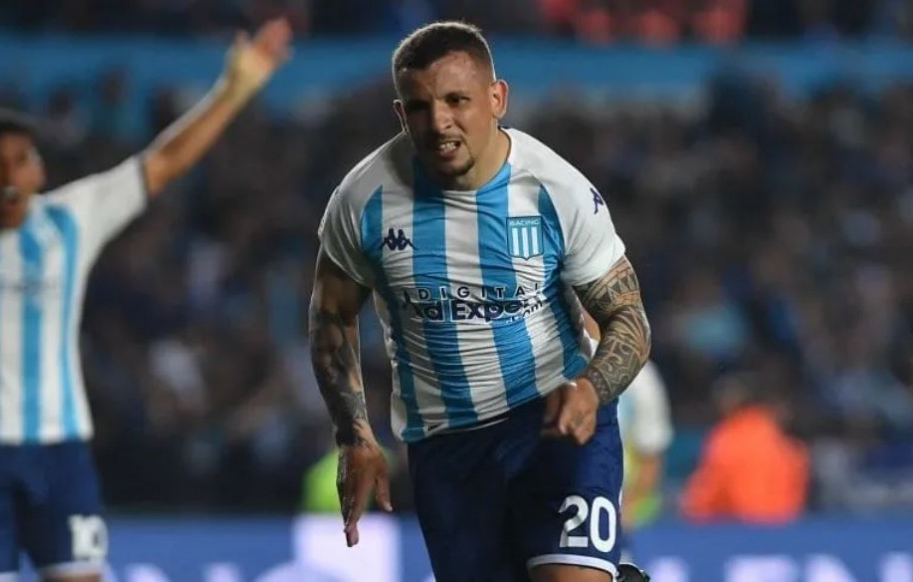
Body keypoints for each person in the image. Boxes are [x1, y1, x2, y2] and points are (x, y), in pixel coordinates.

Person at [0, 19, 292, 582]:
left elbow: (164, 162)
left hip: (58, 453)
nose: (7, 174)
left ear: (39, 172)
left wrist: (232, 91)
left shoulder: (71, 220)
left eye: (20, 160)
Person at [309, 21, 652, 582]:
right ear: (400, 114)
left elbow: (628, 317)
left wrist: (591, 389)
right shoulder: (362, 200)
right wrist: (353, 434)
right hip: (447, 447)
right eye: (419, 107)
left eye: (456, 100)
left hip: (553, 421)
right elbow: (331, 316)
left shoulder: (556, 190)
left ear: (497, 99)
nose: (439, 122)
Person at [582, 316, 672, 563]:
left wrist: (625, 511)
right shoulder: (557, 366)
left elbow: (652, 453)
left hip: (617, 509)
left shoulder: (640, 376)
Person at [681, 372, 809, 523]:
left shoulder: (726, 440)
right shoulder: (791, 449)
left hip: (740, 532)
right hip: (784, 532)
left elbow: (701, 501)